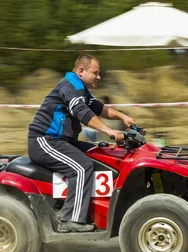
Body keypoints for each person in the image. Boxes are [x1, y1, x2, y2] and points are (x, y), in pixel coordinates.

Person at [28, 55, 136, 233]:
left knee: (101, 154)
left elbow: (100, 109)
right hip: (44, 141)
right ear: (81, 71)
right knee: (81, 167)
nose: (98, 77)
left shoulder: (81, 90)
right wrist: (109, 131)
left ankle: (98, 210)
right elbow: (82, 112)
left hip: (62, 141)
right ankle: (70, 219)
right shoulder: (69, 86)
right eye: (95, 73)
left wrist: (122, 117)